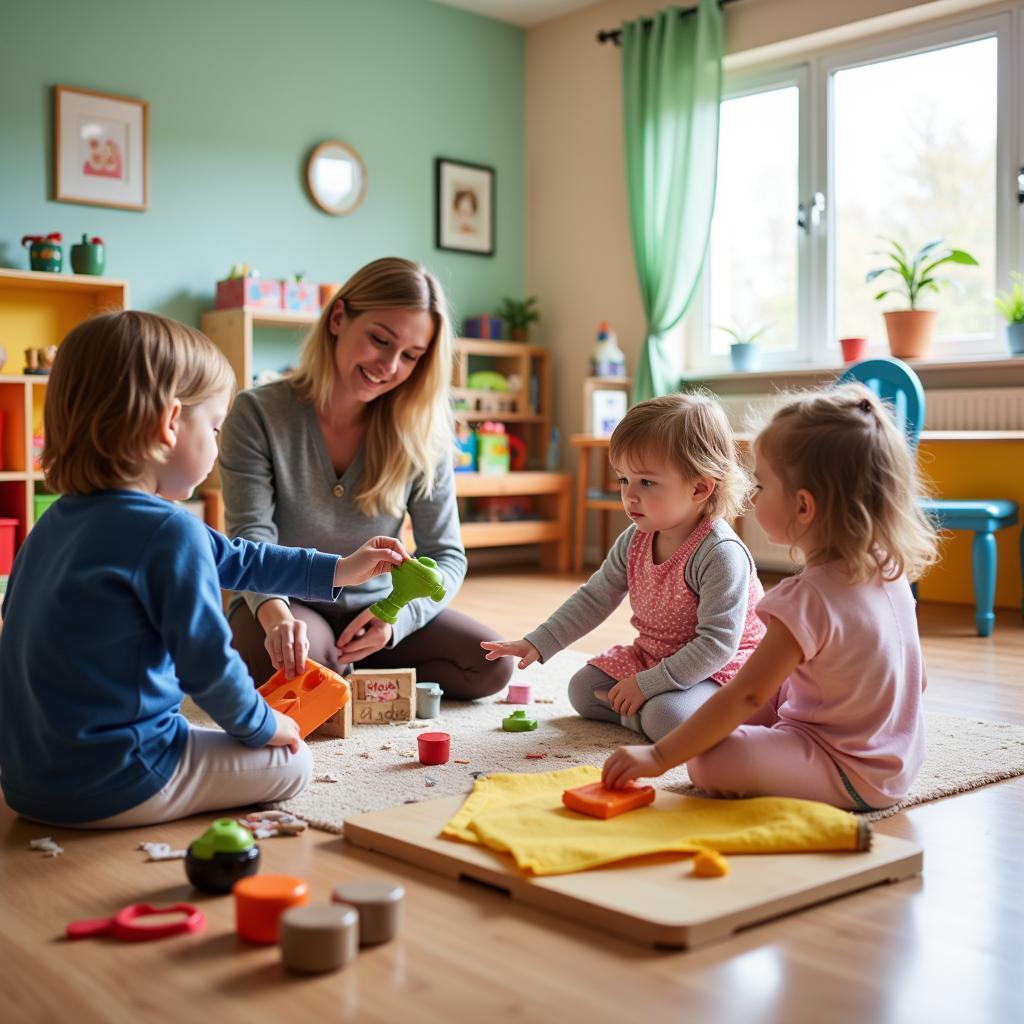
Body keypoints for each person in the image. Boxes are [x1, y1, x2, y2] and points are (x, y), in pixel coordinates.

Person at [0, 311, 408, 828]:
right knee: (293, 764)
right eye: (214, 428)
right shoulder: (169, 531)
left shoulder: (54, 523)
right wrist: (265, 726)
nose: (217, 447)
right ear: (170, 424)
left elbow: (242, 560)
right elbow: (209, 665)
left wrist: (340, 570)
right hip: (117, 780)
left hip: (28, 779)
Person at [602, 383, 940, 811]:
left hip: (847, 769)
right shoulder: (888, 570)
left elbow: (746, 694)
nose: (751, 496)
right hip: (898, 757)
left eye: (761, 486)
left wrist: (659, 756)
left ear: (803, 507)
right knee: (745, 702)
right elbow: (918, 678)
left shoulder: (805, 597)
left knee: (708, 760)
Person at [221, 257, 511, 699]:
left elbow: (446, 555)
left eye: (411, 356)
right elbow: (251, 537)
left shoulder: (421, 431)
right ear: (339, 318)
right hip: (286, 601)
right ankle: (346, 674)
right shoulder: (257, 413)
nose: (389, 366)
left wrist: (396, 620)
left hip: (377, 608)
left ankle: (350, 674)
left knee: (493, 664)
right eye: (380, 340)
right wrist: (277, 616)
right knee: (294, 659)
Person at [482, 392, 765, 742]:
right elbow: (595, 597)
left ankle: (672, 716)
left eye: (646, 482)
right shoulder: (636, 538)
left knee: (667, 718)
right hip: (656, 656)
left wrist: (647, 686)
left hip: (719, 670)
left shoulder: (720, 553)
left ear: (700, 488)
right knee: (584, 689)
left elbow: (717, 646)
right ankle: (648, 716)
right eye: (623, 480)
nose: (629, 495)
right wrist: (538, 642)